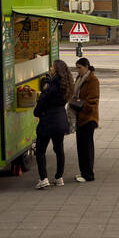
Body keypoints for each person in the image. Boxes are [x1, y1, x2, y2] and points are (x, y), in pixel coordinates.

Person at [33, 59, 73, 189]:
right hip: (60, 121)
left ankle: (43, 178)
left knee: (40, 150)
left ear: (56, 70)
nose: (50, 69)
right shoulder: (66, 85)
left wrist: (37, 112)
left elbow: (41, 104)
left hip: (48, 121)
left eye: (52, 67)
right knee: (59, 149)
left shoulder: (51, 87)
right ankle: (58, 177)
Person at [71, 58, 100, 183]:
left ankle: (88, 174)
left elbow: (92, 101)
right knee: (81, 147)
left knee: (86, 147)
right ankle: (84, 171)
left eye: (80, 68)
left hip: (88, 118)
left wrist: (77, 104)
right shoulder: (79, 78)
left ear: (87, 67)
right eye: (76, 68)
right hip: (80, 117)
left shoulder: (92, 80)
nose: (78, 71)